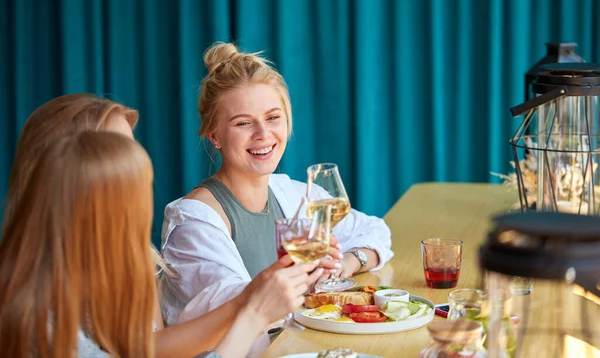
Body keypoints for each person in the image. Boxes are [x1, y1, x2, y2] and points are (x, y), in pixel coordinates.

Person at [1, 94, 323, 357]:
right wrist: (252, 314)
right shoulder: (43, 320)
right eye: (117, 154)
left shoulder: (127, 254)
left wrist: (247, 300)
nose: (139, 167)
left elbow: (144, 350)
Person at [160, 42, 394, 325]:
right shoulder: (194, 220)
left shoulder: (293, 194)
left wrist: (344, 264)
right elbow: (233, 313)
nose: (263, 133)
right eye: (243, 123)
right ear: (214, 135)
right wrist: (308, 275)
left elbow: (375, 231)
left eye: (273, 118)